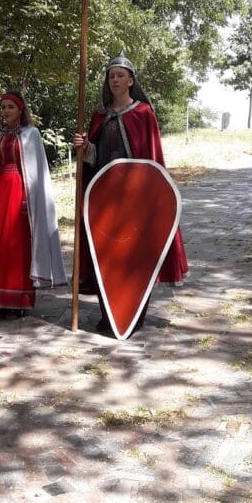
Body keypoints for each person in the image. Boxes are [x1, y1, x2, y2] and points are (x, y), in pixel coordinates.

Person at [73, 53, 189, 336]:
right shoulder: (99, 116)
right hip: (105, 198)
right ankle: (108, 314)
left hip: (135, 199)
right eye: (111, 75)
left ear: (131, 81)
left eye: (120, 75)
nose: (115, 79)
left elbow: (151, 161)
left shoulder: (143, 114)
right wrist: (84, 147)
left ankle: (134, 315)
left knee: (136, 254)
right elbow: (94, 160)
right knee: (105, 252)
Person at [0, 91, 67, 318]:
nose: (5, 111)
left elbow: (35, 172)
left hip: (21, 195)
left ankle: (20, 299)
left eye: (10, 107)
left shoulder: (31, 135)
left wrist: (28, 200)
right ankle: (0, 299)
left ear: (20, 110)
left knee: (20, 246)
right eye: (2, 107)